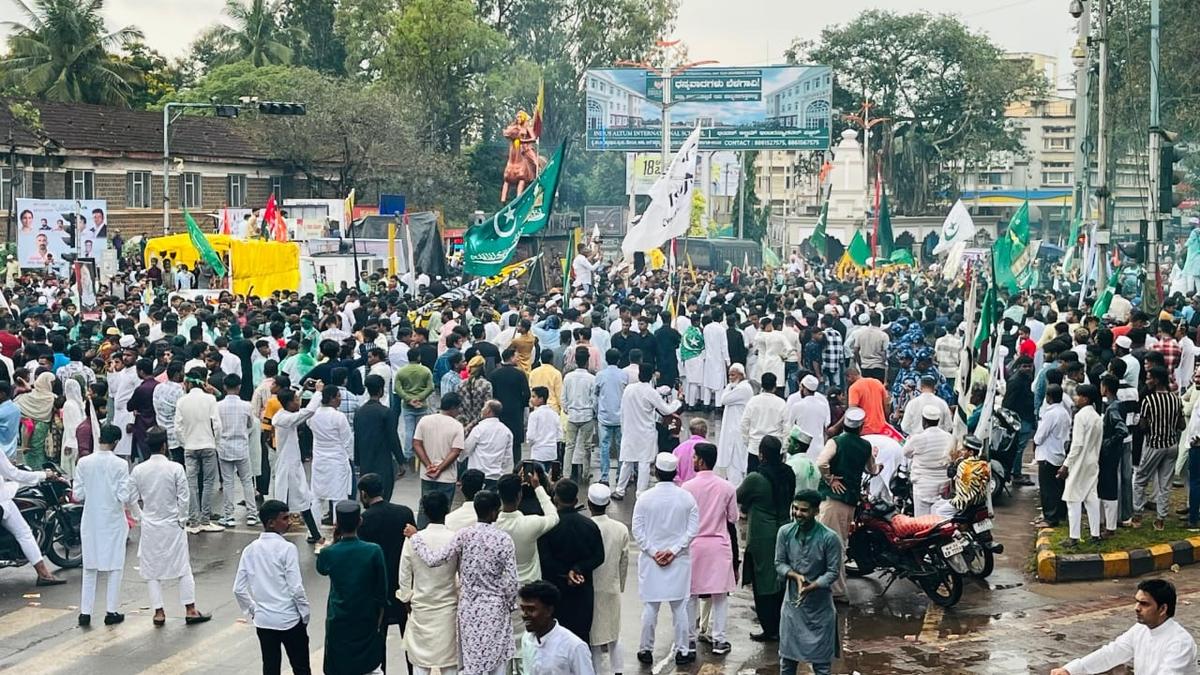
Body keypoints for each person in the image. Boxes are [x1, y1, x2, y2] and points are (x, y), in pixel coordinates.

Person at [411, 489, 520, 675]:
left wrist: (415, 538)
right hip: (495, 608)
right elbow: (512, 582)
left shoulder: (464, 535)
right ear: (495, 512)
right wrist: (509, 605)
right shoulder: (504, 539)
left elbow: (433, 559)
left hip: (469, 608)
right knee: (497, 664)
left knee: (472, 663)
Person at [129, 426, 210, 626]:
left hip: (151, 524)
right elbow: (184, 497)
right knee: (183, 567)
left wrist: (140, 517)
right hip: (172, 523)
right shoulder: (175, 468)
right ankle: (190, 609)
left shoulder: (139, 470)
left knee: (152, 571)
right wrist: (181, 519)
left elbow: (130, 497)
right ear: (165, 446)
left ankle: (159, 612)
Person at [631, 453, 700, 665]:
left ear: (656, 472)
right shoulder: (687, 498)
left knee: (651, 607)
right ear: (675, 473)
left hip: (652, 562)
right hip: (678, 561)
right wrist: (674, 550)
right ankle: (683, 650)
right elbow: (692, 530)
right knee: (679, 607)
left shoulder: (644, 498)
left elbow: (637, 529)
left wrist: (653, 551)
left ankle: (645, 649)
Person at [1050, 579, 1197, 674]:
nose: (1136, 608)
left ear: (1163, 609)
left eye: (1144, 604)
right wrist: (1070, 670)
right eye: (1137, 602)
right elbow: (1111, 654)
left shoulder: (1180, 643)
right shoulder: (1140, 630)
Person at [234, 499, 313, 675]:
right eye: (285, 518)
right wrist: (304, 614)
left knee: (270, 667)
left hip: (264, 621)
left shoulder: (250, 550)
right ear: (271, 523)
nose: (289, 522)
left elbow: (238, 589)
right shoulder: (287, 549)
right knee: (301, 667)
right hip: (289, 619)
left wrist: (254, 610)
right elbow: (296, 588)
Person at [316, 500, 388, 675]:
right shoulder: (373, 550)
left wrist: (334, 540)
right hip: (366, 618)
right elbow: (382, 591)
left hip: (338, 619)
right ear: (360, 522)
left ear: (337, 524)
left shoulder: (328, 552)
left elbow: (322, 569)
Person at [75, 423, 136, 626]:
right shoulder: (119, 465)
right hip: (113, 520)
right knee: (114, 566)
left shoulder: (84, 463)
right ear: (116, 442)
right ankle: (111, 611)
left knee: (90, 567)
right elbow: (123, 495)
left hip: (90, 519)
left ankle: (85, 612)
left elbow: (78, 494)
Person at [775, 489, 842, 675]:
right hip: (792, 608)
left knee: (821, 665)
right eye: (795, 508)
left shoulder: (829, 538)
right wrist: (794, 576)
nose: (797, 514)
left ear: (815, 511)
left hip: (820, 610)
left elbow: (833, 572)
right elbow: (779, 563)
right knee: (787, 662)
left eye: (803, 510)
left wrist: (814, 585)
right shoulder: (785, 532)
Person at [736, 435, 795, 641]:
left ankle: (770, 628)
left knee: (762, 581)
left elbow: (739, 496)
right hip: (786, 529)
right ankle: (780, 624)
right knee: (781, 579)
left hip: (763, 535)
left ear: (761, 454)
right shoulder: (788, 473)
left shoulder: (757, 478)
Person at [680, 442, 737, 655]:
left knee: (691, 594)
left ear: (701, 460)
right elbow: (732, 518)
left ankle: (689, 639)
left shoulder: (687, 488)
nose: (692, 460)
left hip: (694, 546)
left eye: (694, 457)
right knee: (720, 595)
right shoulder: (727, 487)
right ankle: (719, 640)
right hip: (719, 546)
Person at [816, 407, 877, 600]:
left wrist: (830, 478)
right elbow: (872, 469)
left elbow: (821, 462)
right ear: (860, 427)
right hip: (849, 501)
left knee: (834, 545)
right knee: (837, 542)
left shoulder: (836, 442)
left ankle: (837, 591)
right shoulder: (865, 445)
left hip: (834, 501)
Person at [357, 473, 416, 671]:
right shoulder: (404, 513)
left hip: (376, 590)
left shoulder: (363, 520)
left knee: (377, 641)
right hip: (403, 586)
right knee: (409, 640)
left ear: (364, 494)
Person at [398, 492, 460, 675]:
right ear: (447, 509)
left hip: (421, 608)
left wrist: (407, 599)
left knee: (420, 663)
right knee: (450, 664)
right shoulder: (455, 538)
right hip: (448, 608)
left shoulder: (413, 540)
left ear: (424, 511)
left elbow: (404, 576)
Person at [537, 479, 606, 643]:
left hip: (554, 591)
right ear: (576, 501)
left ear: (555, 499)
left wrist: (565, 573)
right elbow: (598, 557)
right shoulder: (589, 525)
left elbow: (545, 560)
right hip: (582, 591)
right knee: (580, 639)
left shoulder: (548, 527)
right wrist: (577, 569)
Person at [614, 364, 682, 500]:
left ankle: (619, 490)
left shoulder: (629, 389)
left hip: (629, 430)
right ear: (651, 376)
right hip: (645, 433)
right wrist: (677, 402)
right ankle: (641, 493)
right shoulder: (650, 392)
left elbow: (622, 410)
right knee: (644, 463)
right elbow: (666, 410)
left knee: (627, 461)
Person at [269, 387, 325, 544]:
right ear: (288, 403)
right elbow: (308, 411)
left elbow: (295, 406)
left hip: (292, 465)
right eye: (295, 400)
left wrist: (302, 390)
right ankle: (314, 535)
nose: (298, 401)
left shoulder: (284, 414)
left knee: (303, 500)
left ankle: (315, 535)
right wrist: (318, 392)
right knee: (295, 502)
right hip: (289, 468)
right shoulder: (285, 419)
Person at [1133, 366, 1183, 531]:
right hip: (1172, 444)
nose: (1147, 381)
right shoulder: (1175, 399)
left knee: (1140, 479)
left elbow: (1143, 425)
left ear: (1156, 380)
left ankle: (1137, 515)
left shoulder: (1149, 400)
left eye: (1149, 378)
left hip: (1154, 444)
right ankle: (1160, 519)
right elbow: (1181, 425)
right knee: (1165, 484)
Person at [585, 483, 628, 675]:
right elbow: (624, 561)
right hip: (611, 586)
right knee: (614, 633)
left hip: (590, 588)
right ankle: (618, 669)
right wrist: (621, 584)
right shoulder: (620, 529)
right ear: (608, 503)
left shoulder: (586, 526)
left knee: (594, 637)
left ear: (589, 504)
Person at [176, 367, 224, 533]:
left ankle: (194, 521)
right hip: (208, 445)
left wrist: (185, 443)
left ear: (188, 383)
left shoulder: (181, 401)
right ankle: (205, 519)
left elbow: (178, 427)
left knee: (192, 484)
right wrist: (215, 441)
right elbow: (217, 424)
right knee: (208, 483)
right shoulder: (210, 399)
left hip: (190, 446)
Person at [518, 580, 597, 675]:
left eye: (531, 609)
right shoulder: (527, 639)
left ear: (549, 610)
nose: (524, 615)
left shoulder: (574, 647)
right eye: (523, 609)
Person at [411, 393, 465, 527]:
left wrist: (429, 466)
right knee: (443, 511)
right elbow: (455, 451)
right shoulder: (457, 425)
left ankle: (422, 533)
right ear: (453, 407)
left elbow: (416, 444)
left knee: (425, 507)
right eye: (458, 408)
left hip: (427, 475)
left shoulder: (425, 420)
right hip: (447, 477)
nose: (459, 411)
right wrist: (439, 468)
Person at [496, 469, 559, 583]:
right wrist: (538, 487)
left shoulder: (492, 525)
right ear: (519, 495)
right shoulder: (531, 523)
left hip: (504, 585)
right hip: (530, 585)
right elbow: (554, 516)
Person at [1061, 384, 1104, 547]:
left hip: (1079, 462)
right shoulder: (1097, 417)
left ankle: (1074, 537)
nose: (1075, 398)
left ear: (1085, 398)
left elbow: (1077, 445)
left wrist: (1066, 465)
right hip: (1092, 461)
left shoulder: (1080, 417)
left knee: (1073, 499)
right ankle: (1095, 534)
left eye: (1077, 396)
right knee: (1091, 497)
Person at [354, 375, 405, 503]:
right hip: (383, 461)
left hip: (366, 461)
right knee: (383, 496)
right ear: (381, 390)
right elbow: (393, 438)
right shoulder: (386, 412)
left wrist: (358, 461)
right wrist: (401, 461)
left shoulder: (360, 412)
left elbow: (357, 437)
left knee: (368, 497)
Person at [216, 373, 257, 527]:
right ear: (239, 387)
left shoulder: (218, 406)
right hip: (241, 447)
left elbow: (216, 426)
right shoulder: (246, 405)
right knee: (247, 481)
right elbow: (250, 424)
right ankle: (252, 514)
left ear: (225, 387)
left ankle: (229, 515)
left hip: (224, 447)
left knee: (228, 482)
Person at [310, 386, 354, 524]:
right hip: (337, 461)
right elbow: (348, 440)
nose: (340, 399)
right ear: (332, 398)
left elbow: (308, 422)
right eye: (338, 396)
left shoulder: (313, 415)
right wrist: (351, 458)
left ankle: (313, 531)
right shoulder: (338, 416)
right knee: (338, 497)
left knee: (317, 497)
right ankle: (338, 531)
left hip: (319, 461)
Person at [903, 405, 954, 517]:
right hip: (943, 486)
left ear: (924, 421)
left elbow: (906, 453)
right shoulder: (948, 437)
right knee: (939, 521)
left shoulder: (917, 438)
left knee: (921, 522)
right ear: (938, 421)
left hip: (923, 487)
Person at [1033, 385, 1071, 528]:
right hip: (1059, 453)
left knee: (1047, 488)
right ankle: (1060, 514)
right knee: (1058, 487)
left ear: (1049, 397)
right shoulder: (1064, 413)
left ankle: (1050, 518)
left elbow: (1040, 435)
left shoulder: (1050, 414)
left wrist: (1036, 441)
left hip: (1047, 454)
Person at [739, 372, 787, 483]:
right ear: (775, 387)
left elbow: (744, 423)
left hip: (755, 448)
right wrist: (784, 448)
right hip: (775, 449)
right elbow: (787, 428)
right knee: (774, 482)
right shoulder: (781, 403)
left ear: (762, 385)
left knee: (752, 482)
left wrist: (748, 442)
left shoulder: (753, 401)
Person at [489, 347, 531, 468]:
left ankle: (498, 466)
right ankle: (517, 467)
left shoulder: (494, 374)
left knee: (499, 440)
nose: (518, 358)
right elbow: (526, 394)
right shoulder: (519, 374)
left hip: (499, 412)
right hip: (516, 412)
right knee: (516, 443)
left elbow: (492, 394)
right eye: (516, 356)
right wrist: (521, 404)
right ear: (511, 357)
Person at [562, 349, 597, 482]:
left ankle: (566, 474)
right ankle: (585, 473)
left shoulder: (568, 377)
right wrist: (593, 412)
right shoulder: (591, 379)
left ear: (575, 360)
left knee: (569, 446)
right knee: (587, 446)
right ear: (587, 361)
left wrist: (567, 409)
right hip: (587, 416)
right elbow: (594, 399)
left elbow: (563, 397)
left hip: (572, 416)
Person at [394, 347, 434, 464]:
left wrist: (408, 399)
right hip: (422, 405)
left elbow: (397, 388)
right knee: (422, 431)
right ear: (419, 357)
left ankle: (408, 454)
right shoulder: (425, 371)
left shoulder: (401, 371)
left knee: (409, 430)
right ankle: (422, 453)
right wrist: (420, 398)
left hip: (407, 406)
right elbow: (430, 387)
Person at [716, 363, 753, 484]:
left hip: (737, 431)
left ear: (741, 375)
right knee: (732, 459)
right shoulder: (736, 387)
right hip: (732, 429)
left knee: (737, 460)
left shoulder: (743, 388)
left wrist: (728, 386)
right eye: (729, 375)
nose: (730, 378)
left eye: (733, 375)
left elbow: (723, 400)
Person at [593, 349, 626, 485]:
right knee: (620, 447)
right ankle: (620, 475)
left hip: (604, 416)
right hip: (620, 417)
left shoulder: (600, 375)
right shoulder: (624, 375)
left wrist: (596, 411)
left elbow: (595, 395)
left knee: (604, 446)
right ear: (618, 360)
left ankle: (605, 476)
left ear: (606, 360)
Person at [463, 399, 514, 483]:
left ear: (488, 411)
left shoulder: (478, 429)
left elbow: (467, 449)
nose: (482, 409)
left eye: (484, 407)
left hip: (477, 476)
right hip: (497, 476)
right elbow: (508, 457)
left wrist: (459, 458)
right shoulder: (506, 431)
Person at [785, 374, 830, 460]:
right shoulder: (823, 404)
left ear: (804, 388)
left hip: (800, 449)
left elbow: (789, 427)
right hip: (818, 448)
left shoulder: (797, 406)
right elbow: (826, 427)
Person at [528, 386, 562, 475]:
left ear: (541, 399)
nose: (531, 399)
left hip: (538, 452)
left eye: (533, 396)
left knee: (539, 479)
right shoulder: (554, 414)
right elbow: (559, 435)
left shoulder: (534, 415)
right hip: (551, 452)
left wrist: (531, 444)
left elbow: (530, 436)